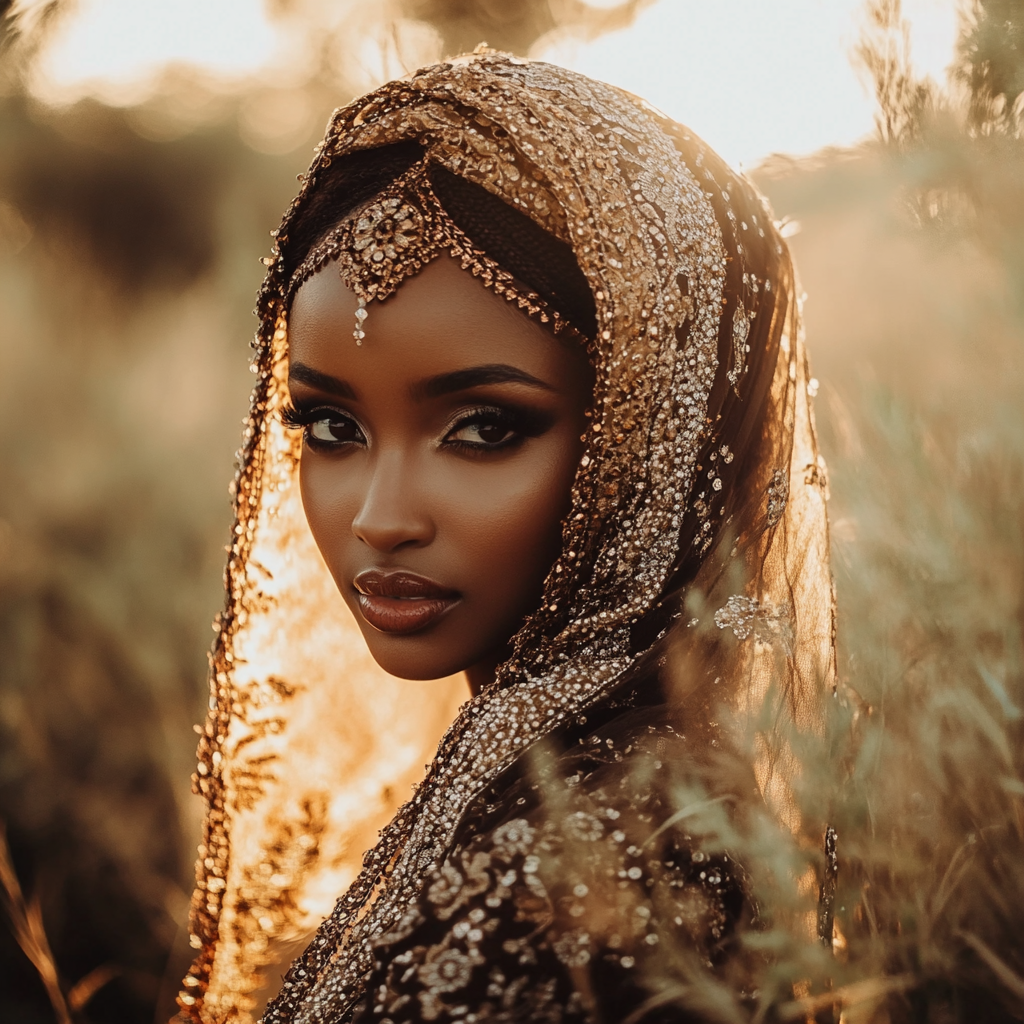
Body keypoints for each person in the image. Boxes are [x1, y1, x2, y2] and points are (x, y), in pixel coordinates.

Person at [177, 52, 835, 1024]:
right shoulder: (600, 788)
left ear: (650, 439)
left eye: (484, 426)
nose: (379, 516)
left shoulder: (587, 878)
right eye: (329, 427)